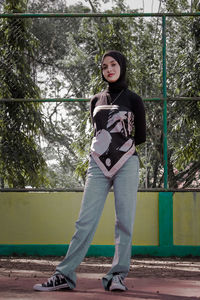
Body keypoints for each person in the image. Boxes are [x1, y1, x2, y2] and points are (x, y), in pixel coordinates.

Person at [33, 50, 146, 292]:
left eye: (113, 64)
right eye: (104, 66)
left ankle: (117, 276)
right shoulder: (95, 99)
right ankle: (64, 275)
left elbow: (141, 137)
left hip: (127, 162)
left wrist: (119, 146)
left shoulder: (134, 99)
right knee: (84, 222)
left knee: (124, 222)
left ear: (122, 66)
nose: (109, 70)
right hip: (97, 163)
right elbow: (97, 132)